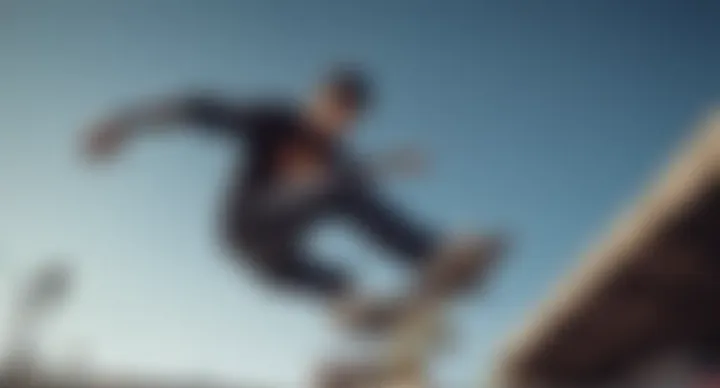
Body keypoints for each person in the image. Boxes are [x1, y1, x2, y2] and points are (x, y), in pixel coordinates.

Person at [82, 67, 501, 330]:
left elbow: (356, 193)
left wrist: (389, 164)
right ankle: (430, 257)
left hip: (275, 260)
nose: (337, 120)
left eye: (347, 116)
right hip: (246, 223)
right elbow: (200, 110)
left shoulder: (337, 156)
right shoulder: (275, 119)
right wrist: (125, 123)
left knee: (342, 274)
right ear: (315, 98)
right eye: (332, 105)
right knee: (339, 185)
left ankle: (347, 301)